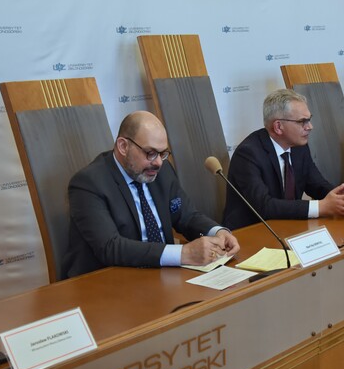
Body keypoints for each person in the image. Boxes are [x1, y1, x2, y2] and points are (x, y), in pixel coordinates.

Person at [63, 110, 240, 279]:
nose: (158, 163)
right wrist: (184, 253)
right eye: (151, 153)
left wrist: (218, 232)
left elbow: (186, 216)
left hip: (162, 275)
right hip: (109, 281)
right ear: (123, 146)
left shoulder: (161, 171)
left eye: (163, 154)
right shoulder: (89, 183)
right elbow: (110, 247)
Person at [222, 89, 344, 230]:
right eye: (302, 121)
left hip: (288, 225)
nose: (310, 127)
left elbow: (316, 184)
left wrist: (341, 200)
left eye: (309, 119)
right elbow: (264, 206)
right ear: (278, 126)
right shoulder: (248, 154)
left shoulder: (298, 146)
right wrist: (321, 207)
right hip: (250, 231)